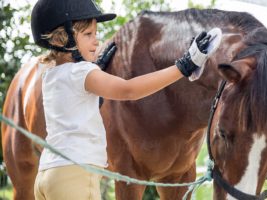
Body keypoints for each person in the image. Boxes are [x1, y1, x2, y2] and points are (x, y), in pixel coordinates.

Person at [31, 0, 220, 199]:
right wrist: (183, 66)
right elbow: (128, 90)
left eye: (95, 33)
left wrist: (97, 73)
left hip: (48, 174)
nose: (96, 41)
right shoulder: (81, 72)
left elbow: (75, 107)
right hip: (74, 175)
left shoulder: (50, 75)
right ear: (61, 39)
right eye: (88, 35)